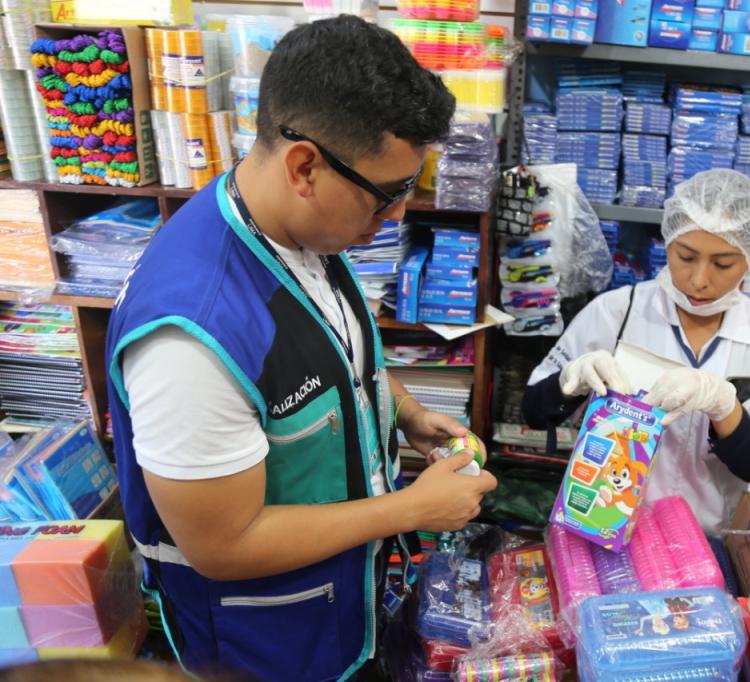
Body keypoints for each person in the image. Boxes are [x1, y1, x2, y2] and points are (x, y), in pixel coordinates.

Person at [105, 16, 496, 682]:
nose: (398, 214)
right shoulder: (189, 338)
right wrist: (411, 510)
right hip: (266, 649)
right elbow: (222, 546)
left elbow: (323, 348)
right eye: (388, 194)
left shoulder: (295, 227)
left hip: (344, 608)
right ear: (305, 166)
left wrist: (402, 411)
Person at [523, 169, 750, 535]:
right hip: (603, 521)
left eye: (723, 264)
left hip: (706, 540)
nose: (699, 279)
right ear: (668, 242)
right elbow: (533, 413)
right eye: (685, 256)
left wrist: (724, 406)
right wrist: (568, 383)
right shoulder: (617, 312)